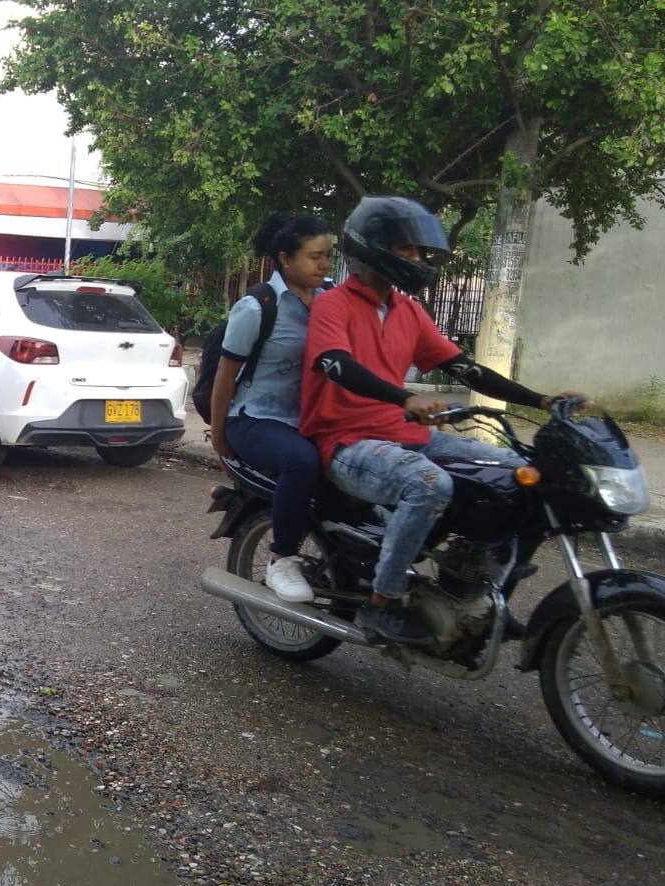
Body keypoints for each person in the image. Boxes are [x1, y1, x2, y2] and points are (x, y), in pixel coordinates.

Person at [300, 196, 583, 645]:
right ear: (373, 249)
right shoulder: (332, 305)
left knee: (518, 474)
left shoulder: (408, 311)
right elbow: (335, 363)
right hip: (346, 441)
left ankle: (477, 588)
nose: (416, 260)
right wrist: (404, 396)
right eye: (406, 250)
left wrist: (542, 400)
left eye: (418, 252)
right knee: (429, 485)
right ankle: (382, 603)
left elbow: (464, 369)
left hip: (406, 436)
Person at [209, 213, 333, 603]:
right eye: (315, 257)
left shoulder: (331, 301)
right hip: (255, 418)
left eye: (327, 255)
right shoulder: (258, 306)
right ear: (285, 259)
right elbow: (225, 377)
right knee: (301, 462)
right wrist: (220, 437)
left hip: (310, 417)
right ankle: (283, 556)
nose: (324, 264)